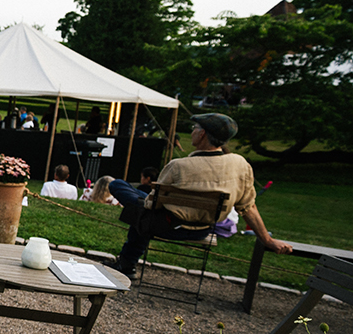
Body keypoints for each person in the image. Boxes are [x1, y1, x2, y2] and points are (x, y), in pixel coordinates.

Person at [108, 113, 292, 275]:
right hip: (203, 229)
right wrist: (267, 240)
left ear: (202, 133)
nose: (193, 131)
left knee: (121, 189)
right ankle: (126, 264)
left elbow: (152, 204)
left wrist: (144, 201)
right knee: (141, 212)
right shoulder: (240, 164)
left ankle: (126, 264)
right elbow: (248, 207)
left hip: (169, 227)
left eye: (194, 128)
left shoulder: (179, 166)